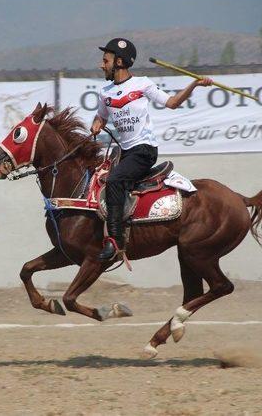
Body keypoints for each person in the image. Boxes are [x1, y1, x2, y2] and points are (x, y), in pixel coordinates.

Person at [90, 37, 213, 261]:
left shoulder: (143, 84)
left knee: (115, 180)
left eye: (105, 60)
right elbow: (101, 116)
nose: (101, 65)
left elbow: (173, 103)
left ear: (119, 62)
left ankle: (115, 241)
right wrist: (97, 123)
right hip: (124, 152)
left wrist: (194, 84)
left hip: (143, 151)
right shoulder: (104, 92)